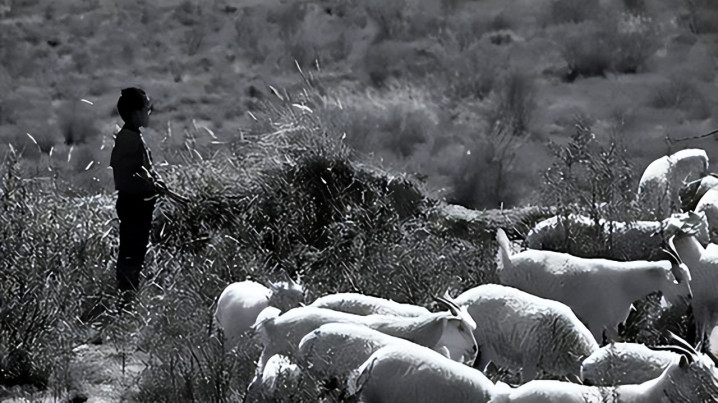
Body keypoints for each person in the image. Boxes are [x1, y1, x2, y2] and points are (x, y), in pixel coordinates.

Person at [110, 87, 167, 301]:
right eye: (146, 108)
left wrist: (155, 180)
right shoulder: (128, 139)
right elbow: (126, 175)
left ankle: (127, 297)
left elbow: (142, 169)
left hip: (138, 204)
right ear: (136, 113)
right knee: (131, 254)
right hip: (133, 204)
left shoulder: (132, 136)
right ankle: (126, 300)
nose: (149, 112)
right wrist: (150, 183)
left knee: (135, 252)